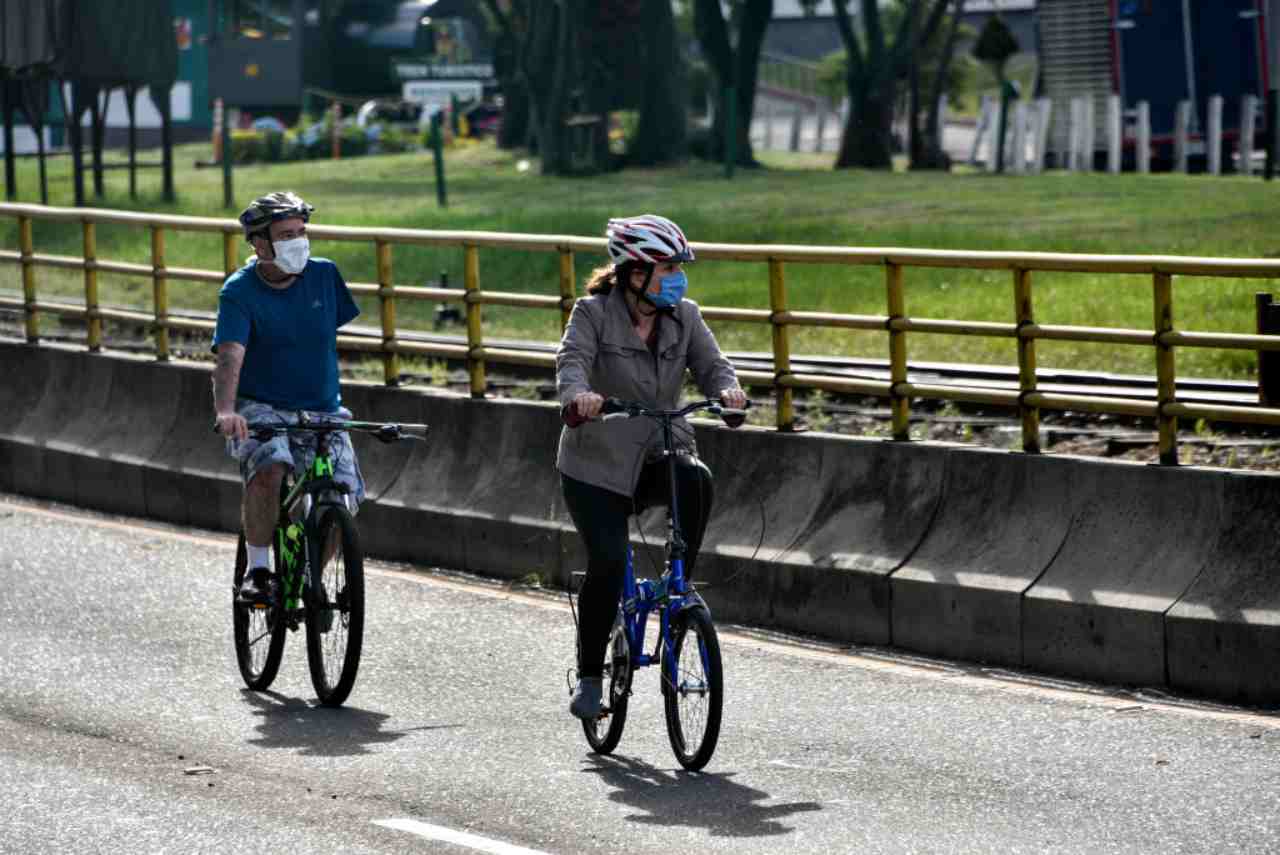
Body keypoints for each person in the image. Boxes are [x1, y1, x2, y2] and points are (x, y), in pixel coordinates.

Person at [557, 214, 747, 721]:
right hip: (595, 464)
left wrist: (728, 393)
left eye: (678, 268)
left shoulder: (686, 315)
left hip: (658, 452)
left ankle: (679, 582)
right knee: (608, 559)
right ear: (634, 271)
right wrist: (579, 398)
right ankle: (592, 679)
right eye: (666, 268)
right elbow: (571, 362)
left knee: (696, 479)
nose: (677, 278)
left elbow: (713, 366)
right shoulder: (593, 313)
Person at [212, 191, 366, 605]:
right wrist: (226, 410)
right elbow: (230, 356)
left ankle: (313, 572)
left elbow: (322, 340)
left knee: (343, 492)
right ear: (260, 245)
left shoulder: (325, 276)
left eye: (302, 232)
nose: (299, 241)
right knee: (270, 466)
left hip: (322, 409)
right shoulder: (239, 292)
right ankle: (259, 569)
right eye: (286, 235)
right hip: (261, 408)